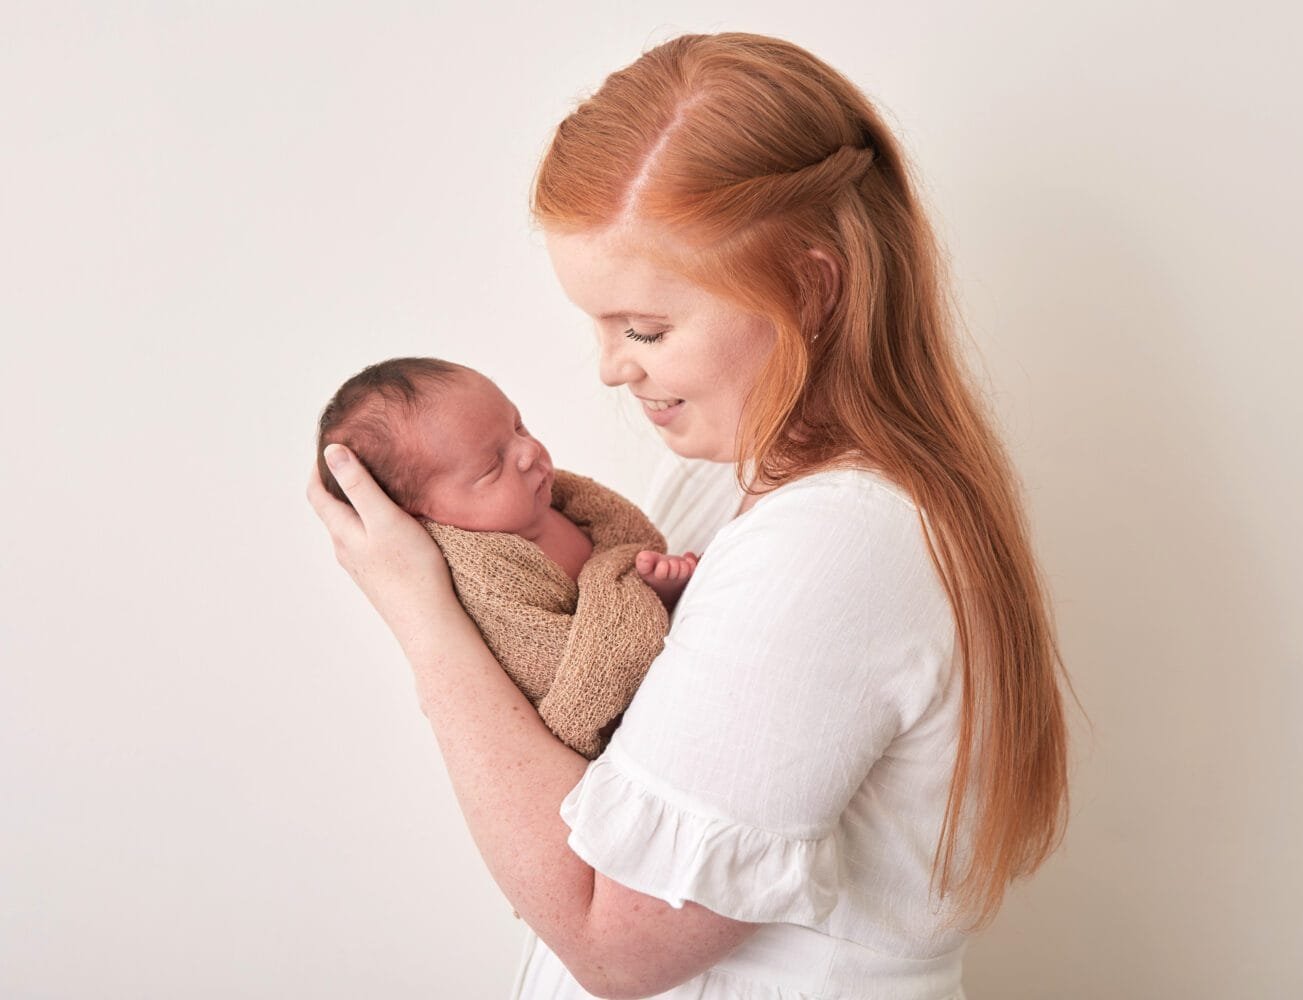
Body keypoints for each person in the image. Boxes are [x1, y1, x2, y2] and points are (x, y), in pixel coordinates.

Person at [307, 31, 1074, 1000]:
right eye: (598, 324)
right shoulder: (723, 483)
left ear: (810, 286)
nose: (611, 367)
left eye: (646, 328)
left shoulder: (836, 543)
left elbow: (615, 941)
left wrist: (421, 613)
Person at [313, 356, 699, 760]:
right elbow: (559, 668)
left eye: (518, 426)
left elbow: (621, 546)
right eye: (492, 467)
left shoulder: (560, 503)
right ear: (418, 519)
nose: (530, 451)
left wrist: (640, 576)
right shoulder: (482, 576)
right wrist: (639, 591)